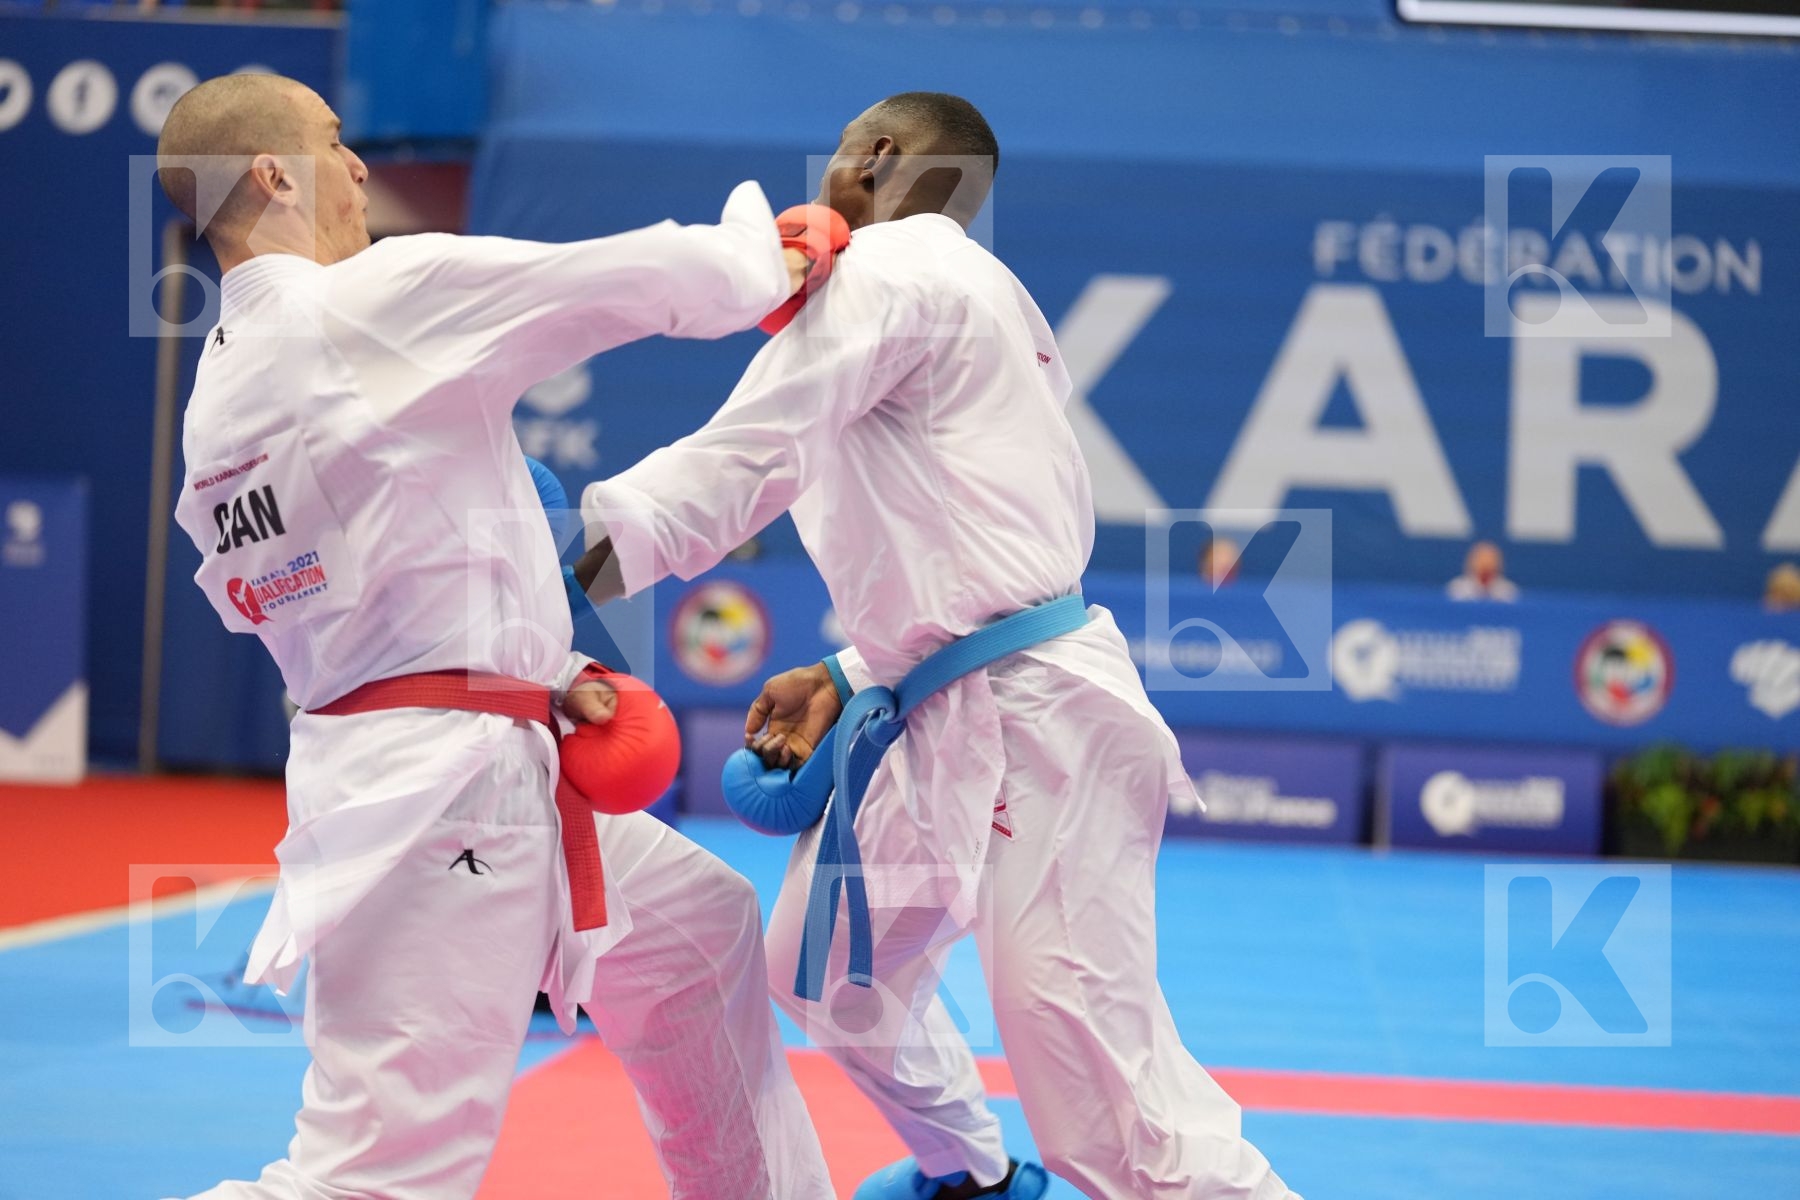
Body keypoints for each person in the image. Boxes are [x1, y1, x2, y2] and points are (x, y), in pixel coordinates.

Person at [576, 93, 1300, 1200]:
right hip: (945, 701)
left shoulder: (888, 272)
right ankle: (973, 1174)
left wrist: (561, 557)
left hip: (1031, 714)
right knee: (825, 977)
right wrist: (849, 670)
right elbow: (969, 534)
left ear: (872, 154)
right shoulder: (990, 295)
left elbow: (745, 458)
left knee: (1105, 1098)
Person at [157, 73, 832, 1199]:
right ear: (273, 176)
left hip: (430, 759)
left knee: (703, 934)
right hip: (447, 801)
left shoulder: (220, 397)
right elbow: (625, 279)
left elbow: (335, 598)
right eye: (334, 142)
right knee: (377, 1171)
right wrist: (778, 260)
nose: (362, 166)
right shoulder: (365, 300)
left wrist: (550, 676)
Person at [1446, 540, 1519, 602]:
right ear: (1471, 562)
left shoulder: (1507, 590)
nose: (1485, 563)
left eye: (1490, 559)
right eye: (1481, 559)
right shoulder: (1458, 588)